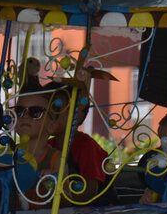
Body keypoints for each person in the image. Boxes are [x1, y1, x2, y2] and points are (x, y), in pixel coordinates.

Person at [12, 73, 109, 207]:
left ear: (77, 114)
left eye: (56, 107)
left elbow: (90, 192)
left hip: (92, 212)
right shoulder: (49, 145)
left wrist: (56, 190)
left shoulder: (86, 146)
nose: (52, 113)